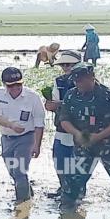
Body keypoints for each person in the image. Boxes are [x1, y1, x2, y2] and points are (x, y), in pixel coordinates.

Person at [58, 62, 110, 210]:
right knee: (73, 180)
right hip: (83, 144)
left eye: (81, 80)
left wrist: (99, 136)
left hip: (109, 143)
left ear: (92, 77)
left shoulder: (109, 95)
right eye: (76, 81)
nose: (78, 84)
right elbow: (64, 119)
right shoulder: (71, 95)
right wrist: (77, 134)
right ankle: (68, 211)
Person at [0, 67, 45, 202]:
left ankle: (22, 204)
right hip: (7, 138)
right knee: (13, 172)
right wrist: (11, 125)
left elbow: (39, 123)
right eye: (11, 85)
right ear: (4, 84)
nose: (15, 88)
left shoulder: (33, 97)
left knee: (19, 171)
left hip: (27, 138)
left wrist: (37, 146)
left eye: (18, 84)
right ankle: (28, 193)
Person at [44, 51, 81, 198]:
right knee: (60, 161)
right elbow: (51, 105)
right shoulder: (59, 82)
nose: (66, 67)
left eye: (69, 64)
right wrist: (51, 104)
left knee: (77, 164)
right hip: (61, 127)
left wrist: (61, 104)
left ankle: (77, 193)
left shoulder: (87, 82)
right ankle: (64, 187)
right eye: (64, 65)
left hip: (80, 129)